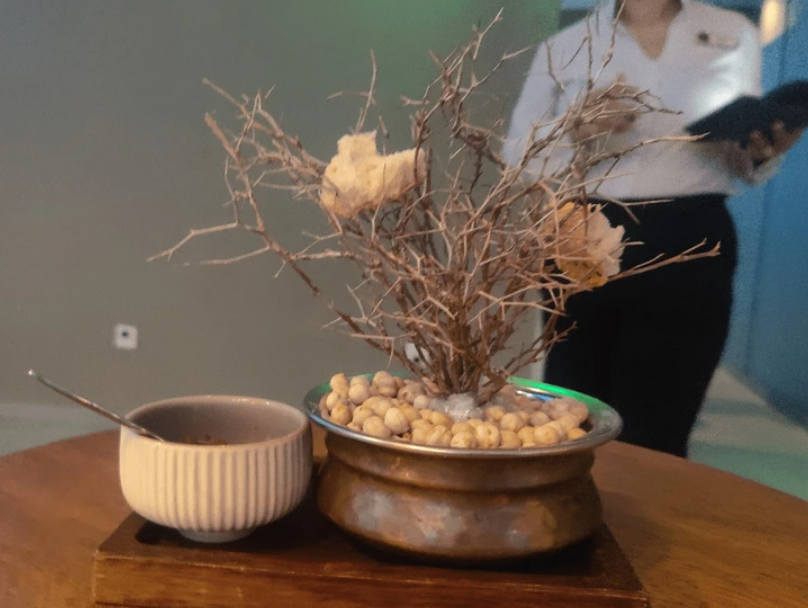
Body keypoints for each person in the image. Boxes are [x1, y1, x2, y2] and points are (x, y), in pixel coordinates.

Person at [503, 0, 804, 457]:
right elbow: (518, 156)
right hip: (583, 233)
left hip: (691, 235)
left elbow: (740, 160)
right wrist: (575, 128)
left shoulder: (734, 33)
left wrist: (764, 149)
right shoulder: (564, 46)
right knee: (571, 416)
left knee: (662, 423)